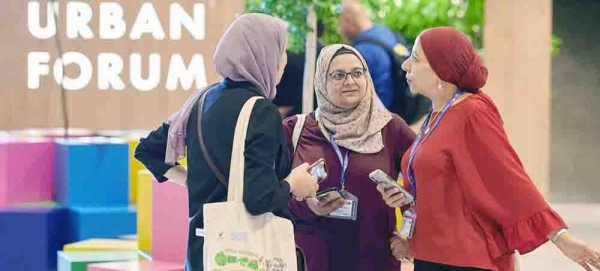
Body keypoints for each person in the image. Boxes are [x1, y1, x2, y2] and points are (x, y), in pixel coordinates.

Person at [378, 26, 600, 271]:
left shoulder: (473, 112)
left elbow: (508, 180)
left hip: (467, 260)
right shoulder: (437, 115)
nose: (405, 65)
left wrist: (562, 239)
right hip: (432, 256)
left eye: (416, 58)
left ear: (441, 70)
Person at [134, 14, 318, 271]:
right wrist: (294, 184)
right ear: (263, 53)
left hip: (204, 248)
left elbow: (148, 150)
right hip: (248, 252)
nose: (284, 59)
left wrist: (194, 180)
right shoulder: (260, 111)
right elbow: (259, 200)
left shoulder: (201, 100)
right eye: (281, 49)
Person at [282, 44, 416, 271]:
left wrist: (409, 237)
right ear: (322, 79)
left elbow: (425, 186)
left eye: (357, 72)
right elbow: (271, 195)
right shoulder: (295, 129)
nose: (350, 81)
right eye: (338, 75)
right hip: (311, 261)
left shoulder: (390, 128)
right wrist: (308, 208)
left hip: (375, 261)